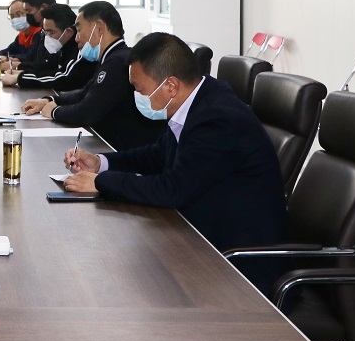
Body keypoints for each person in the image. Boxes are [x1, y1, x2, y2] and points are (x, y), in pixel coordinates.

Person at [62, 32, 288, 296]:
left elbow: (172, 189)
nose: (137, 96)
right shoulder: (198, 101)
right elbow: (157, 155)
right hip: (203, 237)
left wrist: (101, 183)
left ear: (170, 86)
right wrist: (100, 163)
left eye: (140, 89)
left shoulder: (217, 119)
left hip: (238, 264)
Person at [21, 0, 164, 150]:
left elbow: (87, 112)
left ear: (99, 28)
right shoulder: (111, 57)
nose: (76, 38)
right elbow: (84, 94)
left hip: (125, 149)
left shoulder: (117, 62)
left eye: (79, 30)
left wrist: (54, 111)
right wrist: (49, 100)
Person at [2, 3, 94, 92]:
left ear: (68, 32)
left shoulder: (82, 51)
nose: (47, 37)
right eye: (45, 32)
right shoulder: (62, 47)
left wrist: (19, 78)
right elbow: (48, 68)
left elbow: (63, 79)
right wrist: (21, 73)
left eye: (51, 32)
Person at [5, 0, 58, 70]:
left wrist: (17, 66)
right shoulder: (42, 33)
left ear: (44, 8)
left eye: (28, 11)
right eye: (12, 16)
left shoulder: (46, 32)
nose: (27, 16)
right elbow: (34, 60)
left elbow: (48, 66)